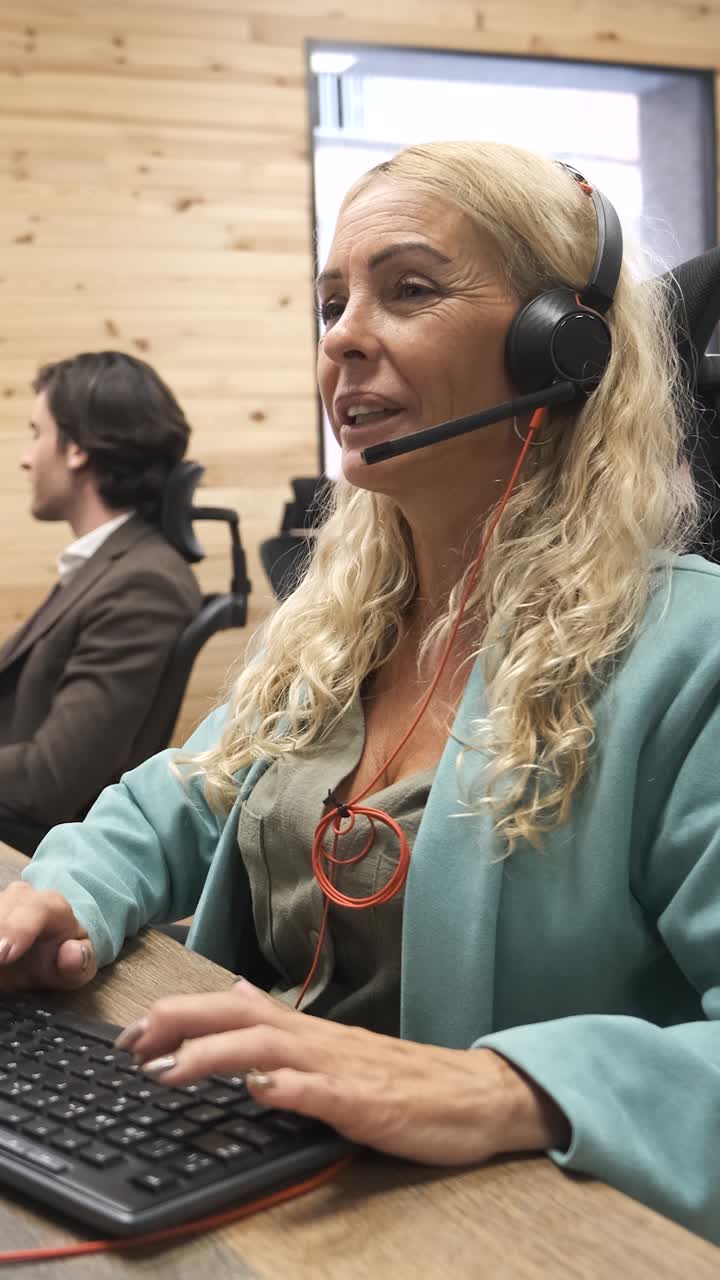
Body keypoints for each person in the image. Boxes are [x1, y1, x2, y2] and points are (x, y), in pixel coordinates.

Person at [0, 141, 718, 1243]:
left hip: (505, 1228)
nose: (340, 336)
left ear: (560, 347)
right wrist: (67, 890)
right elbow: (179, 795)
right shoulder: (346, 618)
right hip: (268, 1174)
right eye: (331, 302)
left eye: (410, 289)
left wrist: (502, 1086)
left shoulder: (689, 654)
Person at [0, 351, 202, 854]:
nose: (26, 458)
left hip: (34, 856)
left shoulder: (143, 583)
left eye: (36, 434)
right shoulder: (108, 566)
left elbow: (51, 780)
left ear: (76, 450)